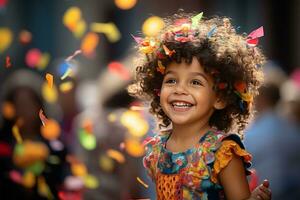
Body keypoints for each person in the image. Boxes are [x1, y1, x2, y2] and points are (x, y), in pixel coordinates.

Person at [128, 11, 271, 199]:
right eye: (171, 81)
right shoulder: (157, 150)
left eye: (195, 82)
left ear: (220, 98)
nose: (180, 89)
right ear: (158, 89)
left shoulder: (222, 153)